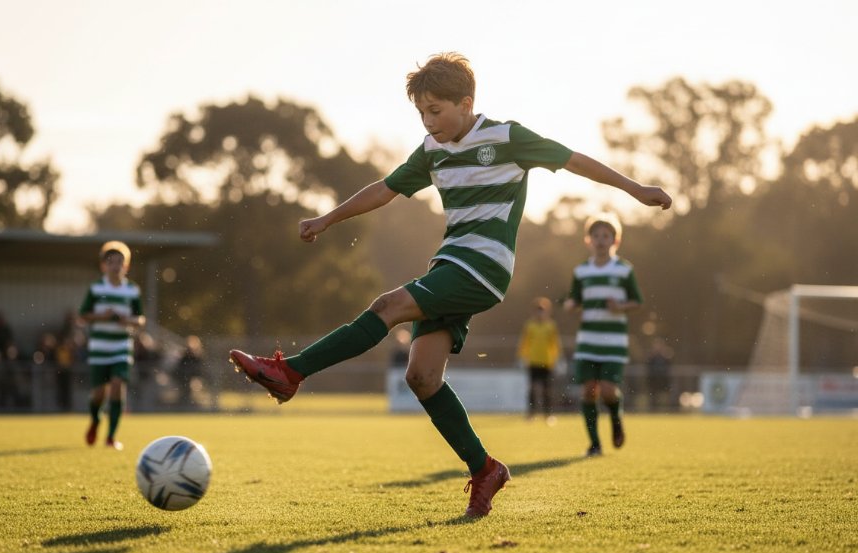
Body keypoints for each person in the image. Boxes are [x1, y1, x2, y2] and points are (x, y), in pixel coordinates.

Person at [229, 52, 672, 517]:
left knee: (387, 305)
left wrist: (636, 190)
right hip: (449, 264)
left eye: (435, 110)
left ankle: (291, 371)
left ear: (466, 102)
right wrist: (328, 218)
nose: (428, 120)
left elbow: (574, 160)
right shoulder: (431, 149)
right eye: (421, 112)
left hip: (485, 266)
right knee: (421, 377)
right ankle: (485, 469)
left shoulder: (507, 137)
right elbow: (384, 188)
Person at [563, 213, 642, 457]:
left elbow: (636, 301)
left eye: (605, 236)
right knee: (589, 391)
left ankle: (616, 419)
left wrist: (620, 307)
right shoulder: (581, 271)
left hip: (614, 342)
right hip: (587, 341)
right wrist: (569, 305)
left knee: (607, 390)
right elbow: (573, 300)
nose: (600, 240)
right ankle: (595, 444)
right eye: (596, 235)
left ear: (615, 241)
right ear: (588, 240)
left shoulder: (623, 270)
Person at [79, 241, 145, 450]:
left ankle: (110, 437)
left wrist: (128, 320)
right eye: (111, 262)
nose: (115, 266)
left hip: (121, 347)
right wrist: (102, 316)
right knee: (99, 394)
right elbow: (83, 316)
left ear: (126, 266)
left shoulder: (132, 290)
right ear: (103, 266)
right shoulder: (96, 288)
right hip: (99, 347)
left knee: (117, 387)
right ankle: (95, 420)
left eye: (120, 262)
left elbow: (140, 319)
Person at [517, 297, 561, 424]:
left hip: (547, 361)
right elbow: (524, 342)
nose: (540, 313)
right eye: (538, 310)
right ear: (534, 311)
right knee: (532, 388)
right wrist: (522, 357)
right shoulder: (529, 325)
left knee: (547, 389)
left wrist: (557, 359)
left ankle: (548, 415)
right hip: (533, 361)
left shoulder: (551, 325)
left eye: (542, 310)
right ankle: (530, 414)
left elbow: (555, 344)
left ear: (547, 311)